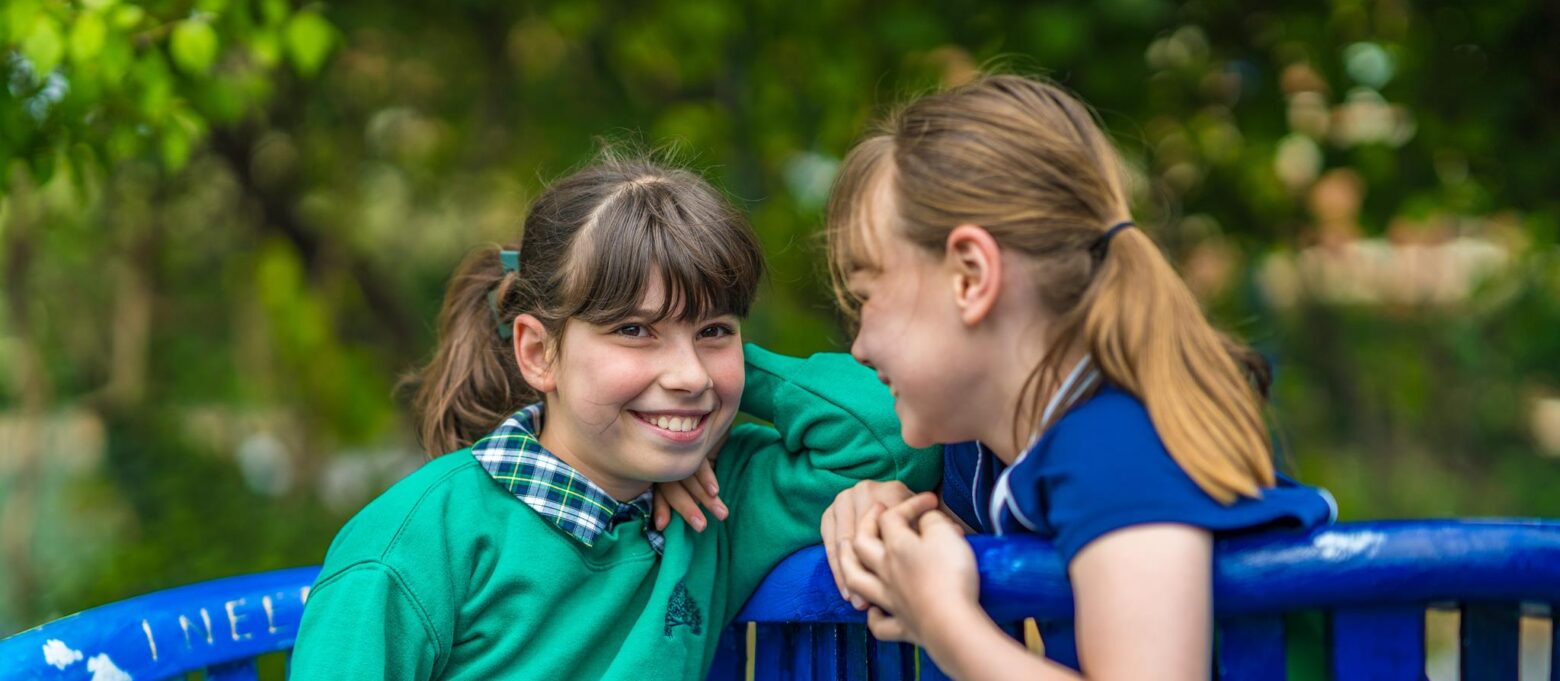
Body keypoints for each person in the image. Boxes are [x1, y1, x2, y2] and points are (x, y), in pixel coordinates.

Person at [289, 156, 938, 679]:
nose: (686, 373)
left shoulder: (715, 504)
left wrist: (725, 383)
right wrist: (690, 378)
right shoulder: (415, 545)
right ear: (539, 352)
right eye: (635, 330)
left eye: (715, 329)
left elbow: (898, 434)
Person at [819, 75, 1336, 680]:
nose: (859, 345)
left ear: (969, 277)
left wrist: (940, 619)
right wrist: (909, 516)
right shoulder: (992, 460)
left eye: (866, 299)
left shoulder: (1119, 447)